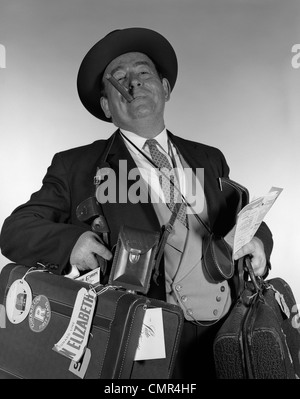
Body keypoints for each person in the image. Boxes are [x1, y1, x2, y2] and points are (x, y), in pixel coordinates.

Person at [0, 27, 273, 379]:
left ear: (165, 88)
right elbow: (15, 231)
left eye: (144, 73)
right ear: (105, 106)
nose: (134, 83)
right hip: (139, 345)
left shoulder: (209, 158)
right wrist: (72, 243)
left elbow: (243, 220)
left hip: (224, 336)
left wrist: (259, 241)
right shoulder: (76, 167)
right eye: (119, 79)